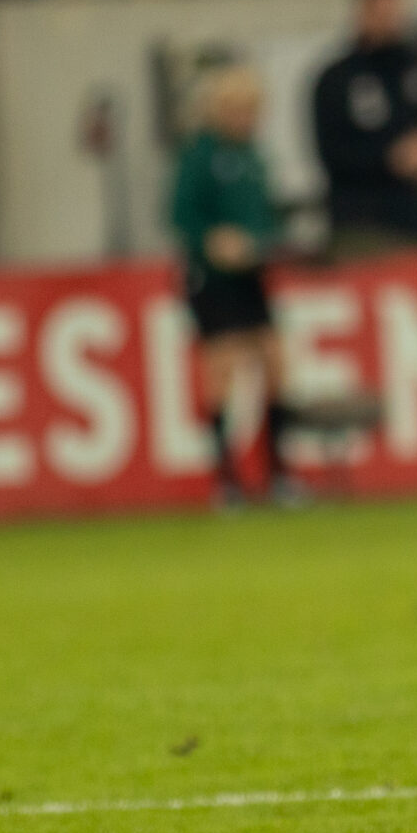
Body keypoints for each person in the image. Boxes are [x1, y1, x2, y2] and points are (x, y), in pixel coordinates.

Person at [171, 62, 298, 507]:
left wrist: (261, 243)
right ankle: (226, 480)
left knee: (274, 363)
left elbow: (268, 216)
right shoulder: (199, 156)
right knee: (221, 370)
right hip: (212, 279)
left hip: (250, 276)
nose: (245, 119)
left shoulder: (255, 157)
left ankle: (278, 472)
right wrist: (213, 240)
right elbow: (181, 215)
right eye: (237, 109)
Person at [311, 0, 417, 260]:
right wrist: (390, 157)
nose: (386, 20)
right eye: (377, 12)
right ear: (360, 13)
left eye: (392, 10)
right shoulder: (336, 79)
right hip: (360, 224)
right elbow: (331, 153)